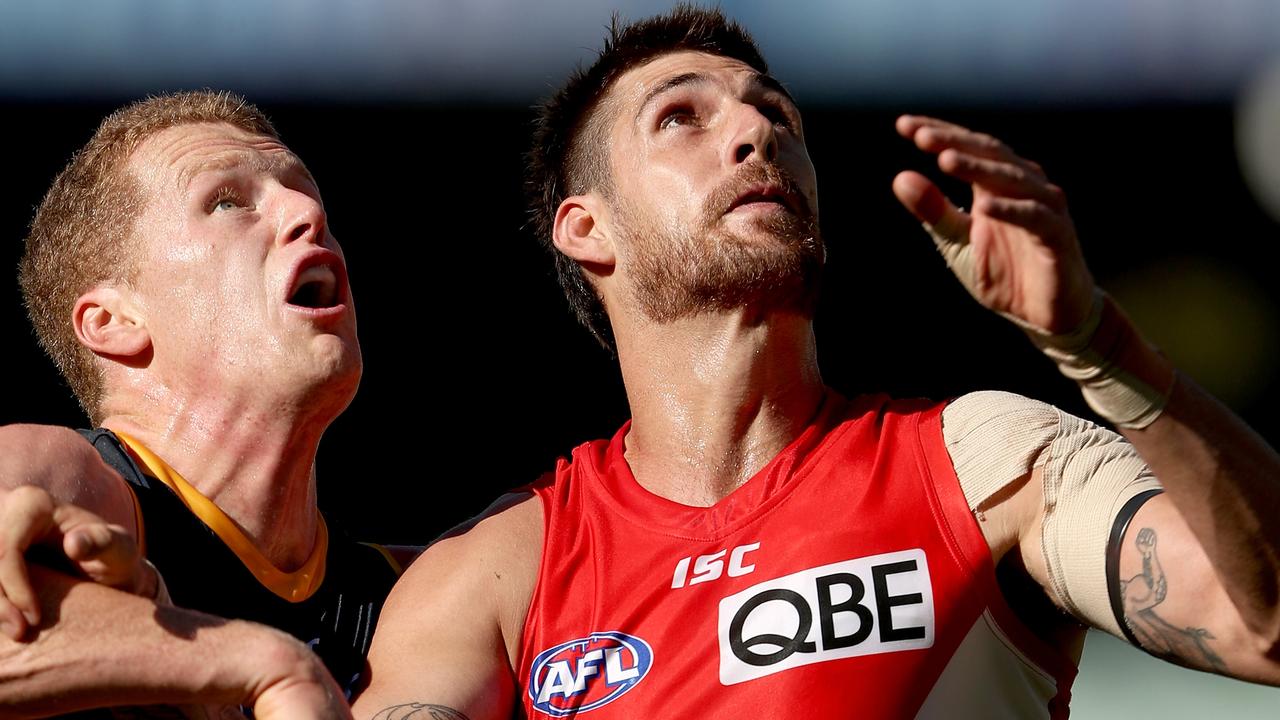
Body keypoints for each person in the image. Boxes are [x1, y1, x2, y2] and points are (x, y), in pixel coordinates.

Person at [352, 6, 1280, 719]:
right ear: (588, 229)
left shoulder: (985, 461)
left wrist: (1105, 350)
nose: (758, 137)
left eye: (776, 116)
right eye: (681, 119)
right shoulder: (499, 570)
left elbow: (1264, 626)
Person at [0, 90, 405, 718]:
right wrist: (259, 665)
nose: (307, 213)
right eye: (226, 201)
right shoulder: (66, 475)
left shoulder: (415, 593)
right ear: (113, 321)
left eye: (309, 194)